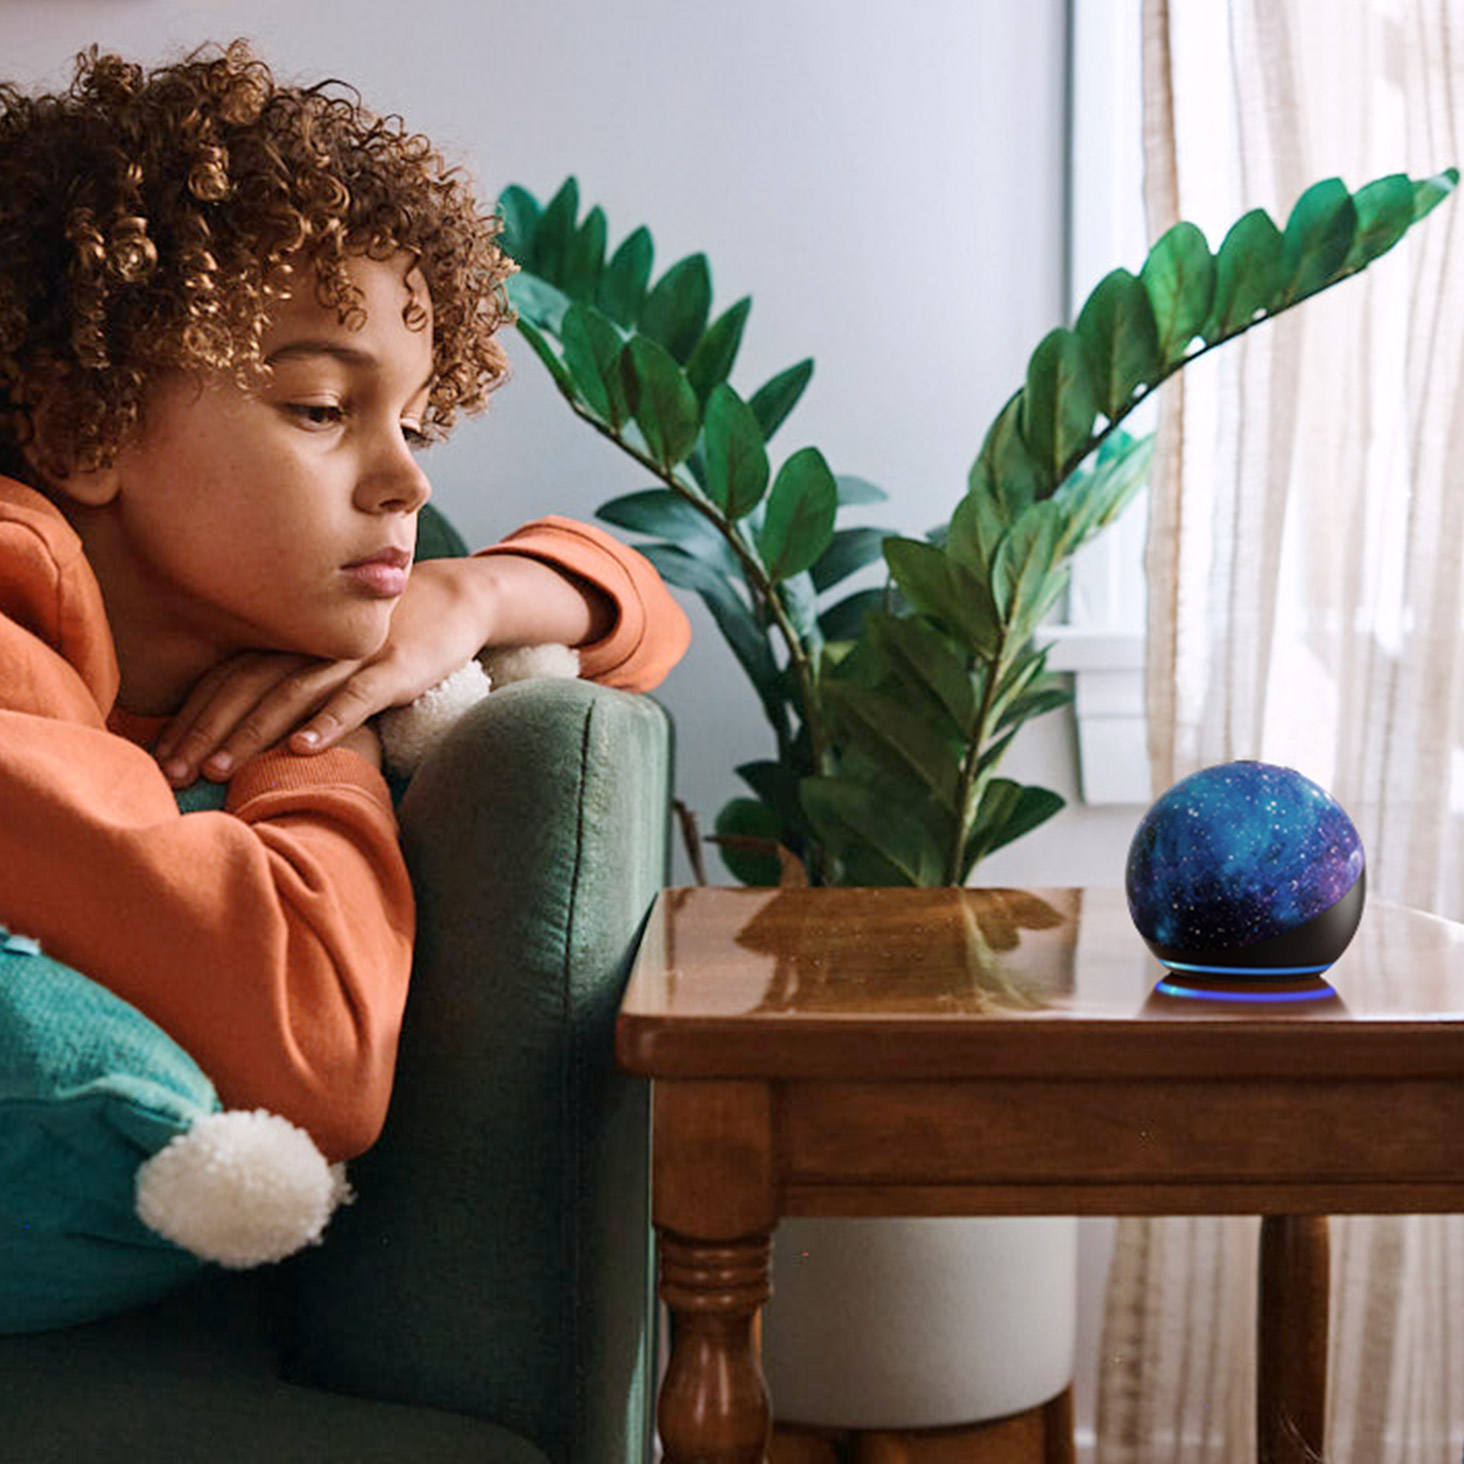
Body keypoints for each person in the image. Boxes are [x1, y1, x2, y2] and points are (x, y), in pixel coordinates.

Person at [0, 42, 690, 1161]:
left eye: (415, 425)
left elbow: (649, 619)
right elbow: (318, 1059)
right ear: (88, 425)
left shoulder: (271, 616)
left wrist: (464, 598)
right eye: (322, 408)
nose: (409, 480)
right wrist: (329, 742)